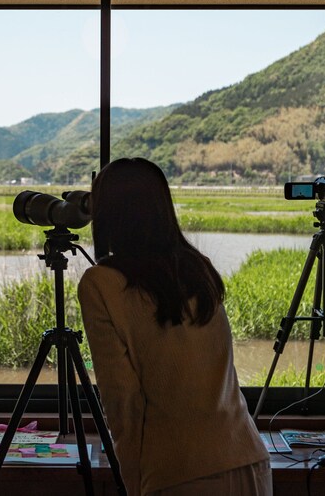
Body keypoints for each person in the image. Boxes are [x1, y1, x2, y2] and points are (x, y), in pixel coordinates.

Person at [77, 157, 272, 496]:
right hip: (248, 459)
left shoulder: (100, 284)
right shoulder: (198, 267)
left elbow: (122, 399)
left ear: (108, 212)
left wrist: (136, 482)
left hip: (178, 471)